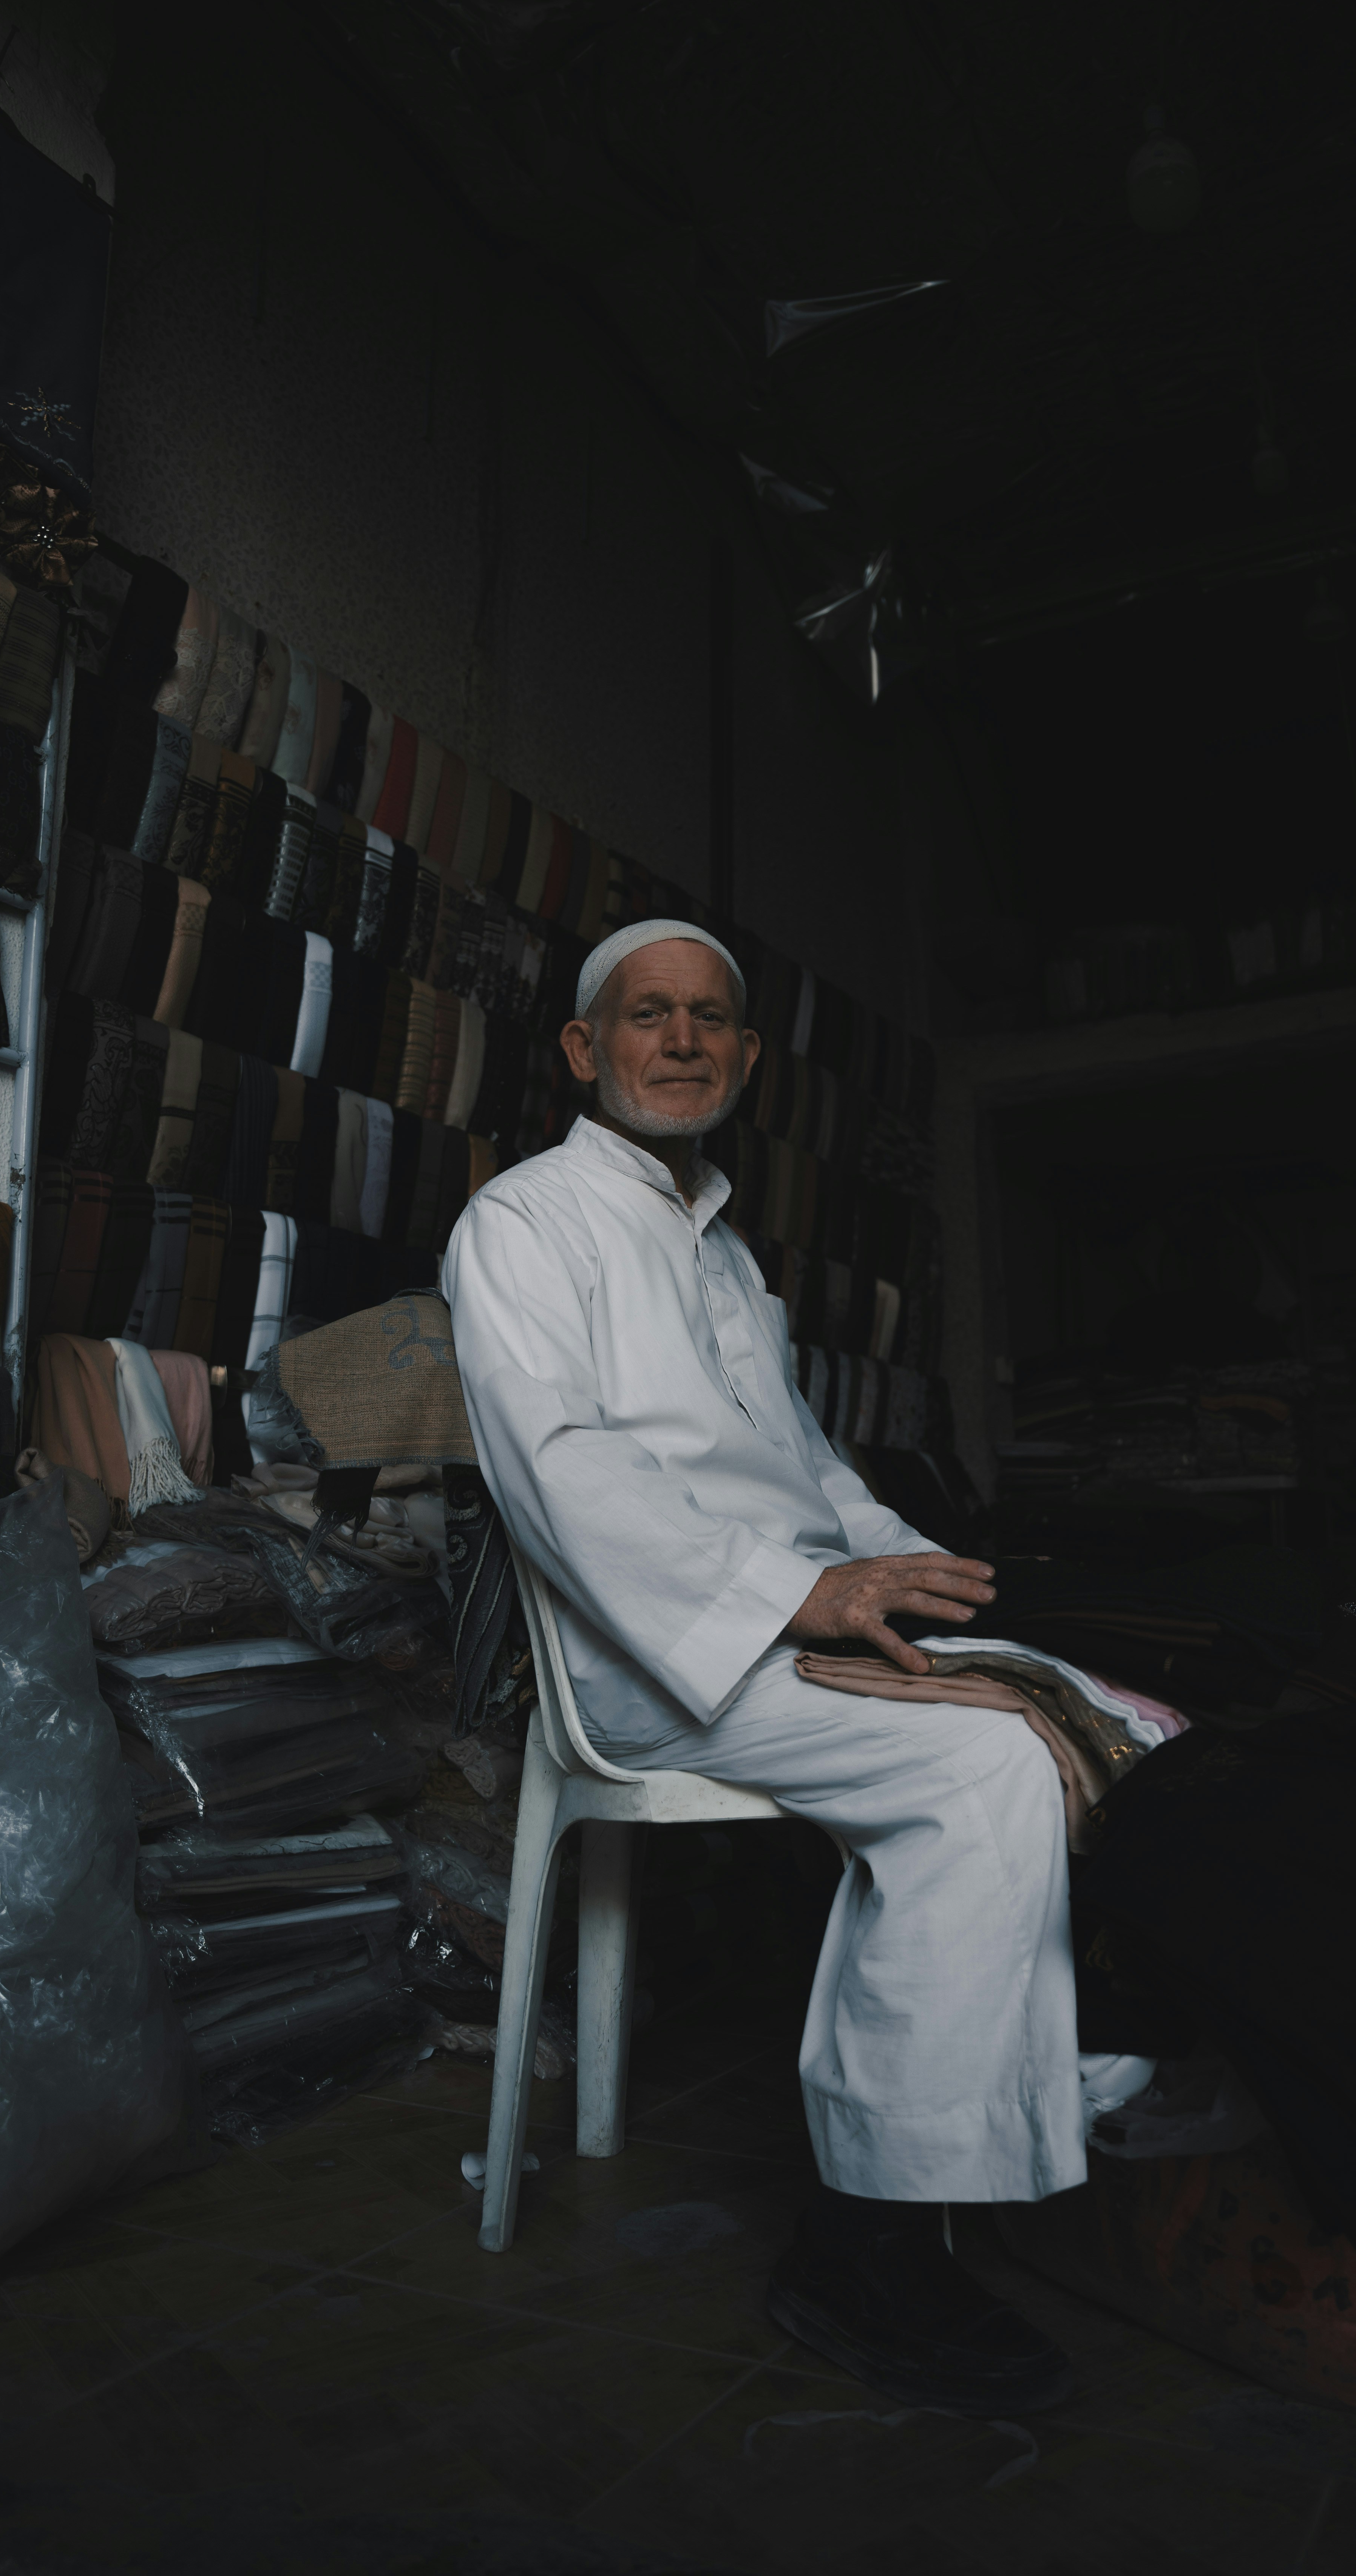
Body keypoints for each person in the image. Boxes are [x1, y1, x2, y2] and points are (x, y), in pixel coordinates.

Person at [443, 920, 1084, 2414]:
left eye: (711, 1020)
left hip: (774, 1623)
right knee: (980, 1771)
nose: (682, 1041)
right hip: (660, 1661)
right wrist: (798, 1595)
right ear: (582, 1050)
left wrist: (912, 1579)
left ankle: (1050, 2118)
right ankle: (865, 2256)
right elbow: (566, 1482)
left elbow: (813, 1479)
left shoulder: (724, 1253)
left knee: (1074, 1703)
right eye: (648, 1015)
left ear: (742, 1055)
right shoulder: (523, 1226)